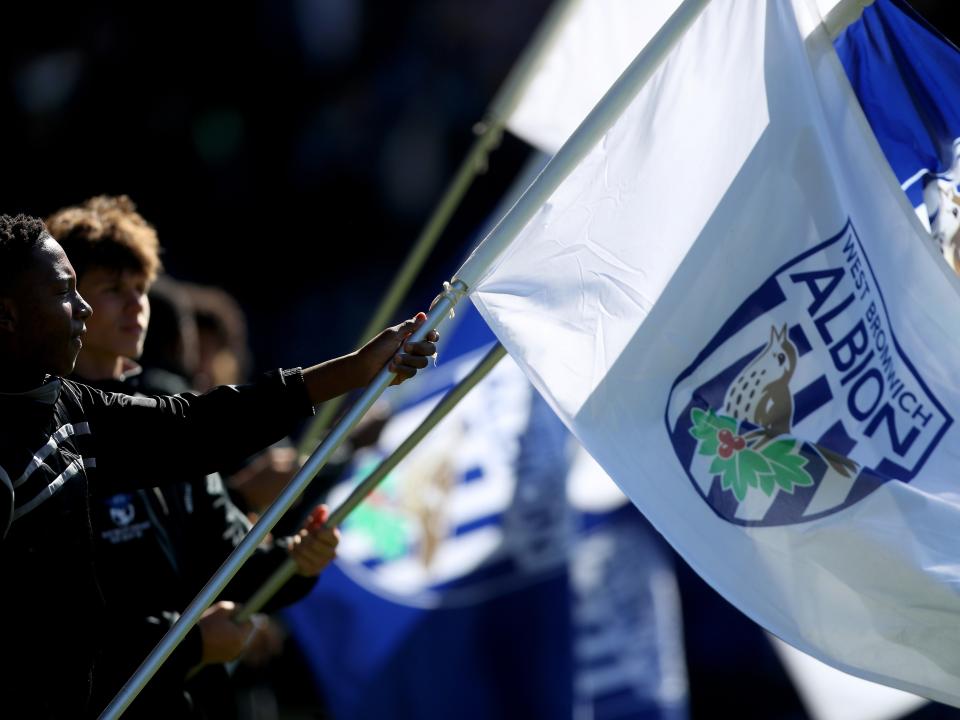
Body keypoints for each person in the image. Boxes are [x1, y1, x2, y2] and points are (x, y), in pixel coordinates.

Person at [0, 212, 439, 718]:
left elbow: (196, 427)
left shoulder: (66, 403)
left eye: (139, 288)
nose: (84, 307)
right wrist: (187, 643)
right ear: (5, 314)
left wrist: (357, 369)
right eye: (66, 291)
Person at [45, 195, 340, 718]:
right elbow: (55, 632)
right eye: (112, 289)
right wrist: (189, 643)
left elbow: (229, 560)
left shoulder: (168, 415)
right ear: (69, 299)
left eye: (140, 288)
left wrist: (298, 561)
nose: (135, 304)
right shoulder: (46, 430)